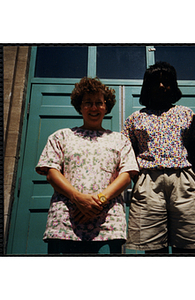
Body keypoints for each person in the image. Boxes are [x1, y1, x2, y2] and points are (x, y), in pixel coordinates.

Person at [35, 77, 139, 254]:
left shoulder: (120, 140)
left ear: (106, 106)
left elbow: (127, 175)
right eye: (88, 103)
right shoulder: (60, 136)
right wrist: (78, 198)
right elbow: (51, 172)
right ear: (79, 106)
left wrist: (98, 202)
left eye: (99, 102)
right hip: (66, 222)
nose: (93, 107)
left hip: (108, 223)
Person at [122, 61, 195, 254]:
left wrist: (184, 176)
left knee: (186, 245)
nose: (162, 86)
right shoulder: (134, 119)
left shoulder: (186, 114)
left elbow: (194, 149)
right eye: (156, 82)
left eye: (167, 82)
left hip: (183, 181)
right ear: (147, 87)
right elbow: (127, 156)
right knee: (153, 247)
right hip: (148, 183)